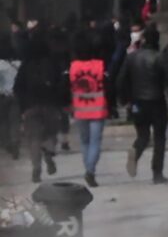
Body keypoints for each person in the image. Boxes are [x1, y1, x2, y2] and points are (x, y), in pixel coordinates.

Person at [117, 25, 168, 184]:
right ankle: (157, 173)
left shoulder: (132, 57)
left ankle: (136, 150)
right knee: (159, 138)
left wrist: (124, 99)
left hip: (137, 101)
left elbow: (121, 80)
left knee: (143, 135)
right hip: (157, 101)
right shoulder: (159, 57)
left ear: (144, 39)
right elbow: (167, 79)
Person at [13, 30, 64, 183]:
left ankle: (36, 167)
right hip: (50, 105)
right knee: (51, 134)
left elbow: (18, 88)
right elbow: (60, 86)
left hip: (30, 107)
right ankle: (48, 152)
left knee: (33, 139)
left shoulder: (25, 67)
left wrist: (22, 108)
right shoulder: (53, 64)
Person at [68, 31, 108, 187]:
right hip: (98, 109)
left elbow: (67, 87)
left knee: (84, 141)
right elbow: (108, 84)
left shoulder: (72, 68)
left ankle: (88, 168)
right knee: (95, 141)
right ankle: (90, 170)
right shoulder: (100, 66)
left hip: (80, 109)